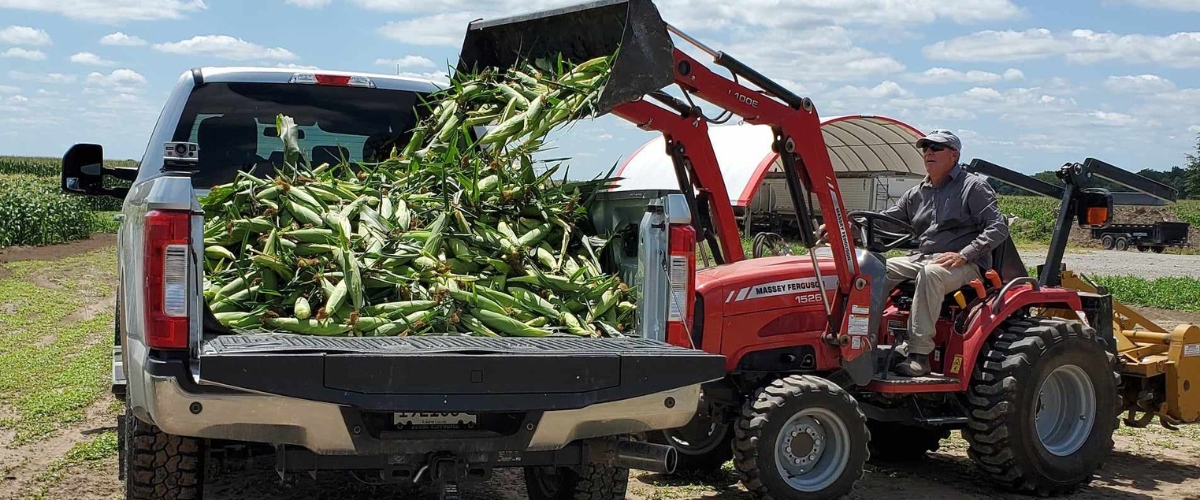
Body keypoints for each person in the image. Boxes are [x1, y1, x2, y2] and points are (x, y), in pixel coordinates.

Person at [877, 129, 1010, 376]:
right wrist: (846, 226)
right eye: (925, 148)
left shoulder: (973, 186)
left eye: (936, 148)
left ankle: (919, 355)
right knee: (876, 268)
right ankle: (863, 338)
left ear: (954, 155)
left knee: (931, 274)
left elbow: (998, 227)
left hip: (965, 263)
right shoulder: (917, 194)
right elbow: (887, 220)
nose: (928, 152)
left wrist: (965, 254)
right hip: (925, 257)